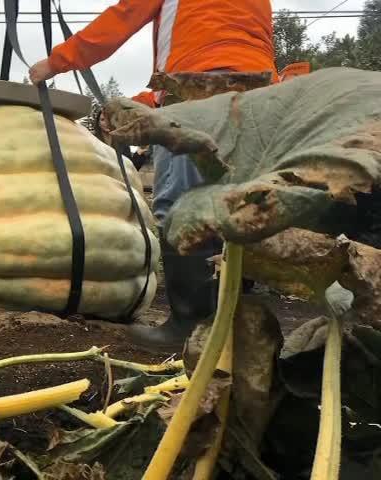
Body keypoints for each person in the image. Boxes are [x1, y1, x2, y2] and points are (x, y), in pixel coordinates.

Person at [28, 0, 277, 349]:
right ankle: (233, 324)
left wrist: (55, 62)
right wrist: (145, 102)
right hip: (262, 92)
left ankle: (188, 329)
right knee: (240, 202)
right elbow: (220, 48)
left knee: (180, 205)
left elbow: (125, 15)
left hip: (195, 89)